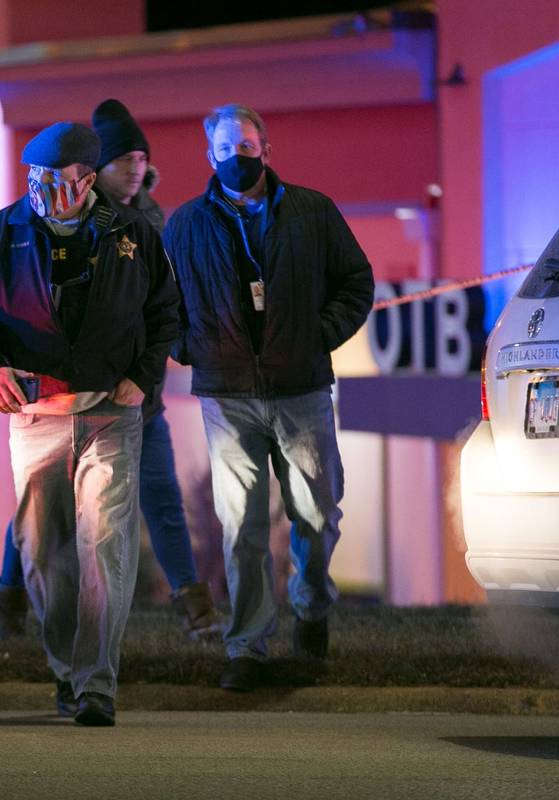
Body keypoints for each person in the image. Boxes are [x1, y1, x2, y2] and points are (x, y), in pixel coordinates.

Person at [0, 121, 178, 726]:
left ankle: (96, 684)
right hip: (34, 415)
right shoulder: (3, 233)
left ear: (85, 179)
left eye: (55, 180)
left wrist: (144, 376)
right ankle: (65, 671)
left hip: (111, 412)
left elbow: (165, 312)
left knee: (105, 542)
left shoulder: (131, 232)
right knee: (43, 551)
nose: (42, 190)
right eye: (35, 178)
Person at [0, 99, 222, 643]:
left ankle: (196, 611)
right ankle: (10, 600)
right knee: (38, 508)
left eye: (142, 157)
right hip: (60, 401)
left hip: (139, 397)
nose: (135, 167)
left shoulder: (150, 224)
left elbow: (166, 305)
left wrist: (149, 371)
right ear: (93, 170)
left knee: (160, 499)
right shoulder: (44, 226)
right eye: (123, 160)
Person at [162, 104, 374, 692]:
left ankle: (310, 608)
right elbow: (162, 303)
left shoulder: (313, 212)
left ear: (267, 149)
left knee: (315, 512)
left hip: (302, 388)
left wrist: (320, 335)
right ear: (210, 156)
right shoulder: (184, 226)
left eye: (247, 146)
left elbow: (356, 281)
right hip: (226, 396)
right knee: (242, 526)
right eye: (226, 149)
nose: (238, 158)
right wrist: (190, 348)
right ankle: (247, 647)